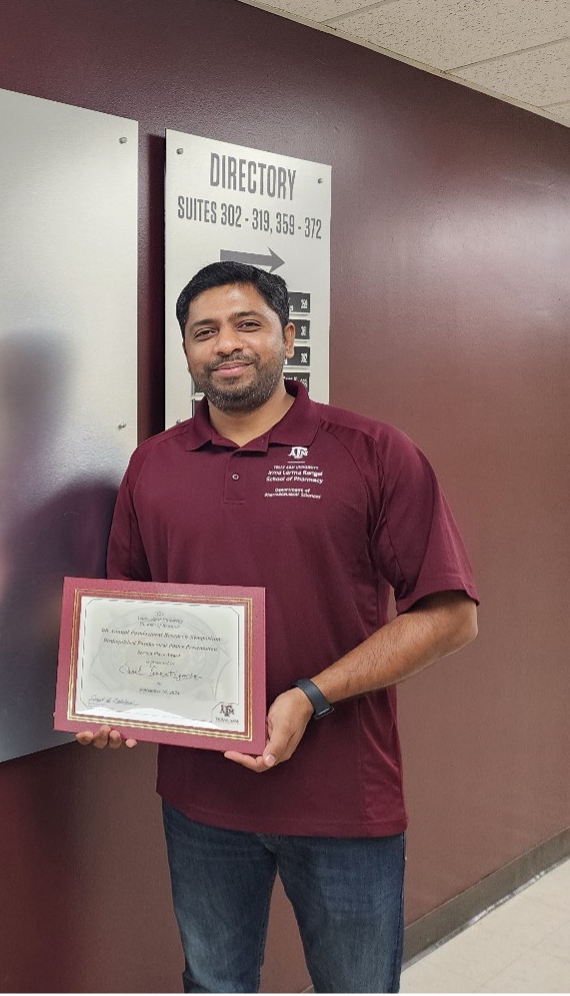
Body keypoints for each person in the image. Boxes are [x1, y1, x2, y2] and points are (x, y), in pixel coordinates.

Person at [79, 261, 478, 993]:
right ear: (188, 352)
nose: (226, 345)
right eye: (205, 332)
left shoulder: (371, 452)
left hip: (343, 801)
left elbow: (451, 616)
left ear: (286, 337)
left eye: (247, 324)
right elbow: (127, 612)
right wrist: (109, 703)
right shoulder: (153, 466)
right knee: (213, 982)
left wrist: (309, 696)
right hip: (201, 804)